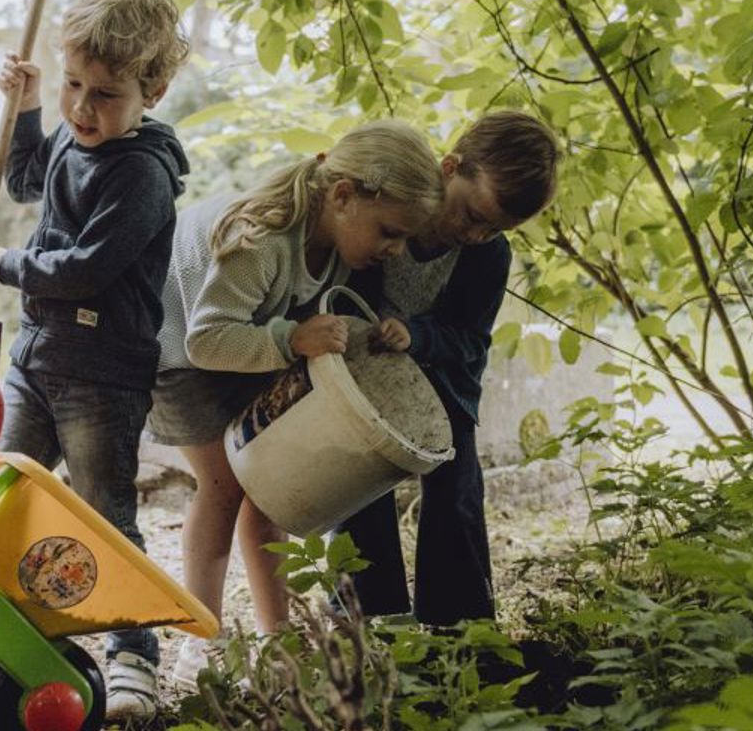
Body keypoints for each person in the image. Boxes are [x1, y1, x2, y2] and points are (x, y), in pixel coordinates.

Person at [0, 0, 191, 726]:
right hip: (36, 364)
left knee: (104, 514)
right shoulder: (74, 138)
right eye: (73, 84)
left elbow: (85, 265)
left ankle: (133, 657)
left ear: (155, 90)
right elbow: (23, 178)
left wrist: (3, 264)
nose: (83, 108)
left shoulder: (141, 174)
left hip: (103, 379)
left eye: (104, 94)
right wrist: (27, 109)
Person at [148, 120, 441, 682]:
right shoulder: (260, 240)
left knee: (270, 485)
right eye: (390, 232)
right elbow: (205, 340)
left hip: (243, 345)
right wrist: (289, 339)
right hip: (176, 354)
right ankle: (200, 643)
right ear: (343, 195)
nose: (395, 250)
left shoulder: (339, 250)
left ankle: (276, 642)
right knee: (224, 486)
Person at [335, 111, 560, 626]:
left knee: (456, 491)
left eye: (495, 228)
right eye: (472, 214)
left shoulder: (487, 256)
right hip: (360, 374)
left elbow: (469, 341)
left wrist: (420, 336)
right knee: (360, 485)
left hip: (441, 382)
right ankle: (369, 616)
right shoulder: (390, 211)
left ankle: (459, 624)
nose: (476, 233)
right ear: (450, 168)